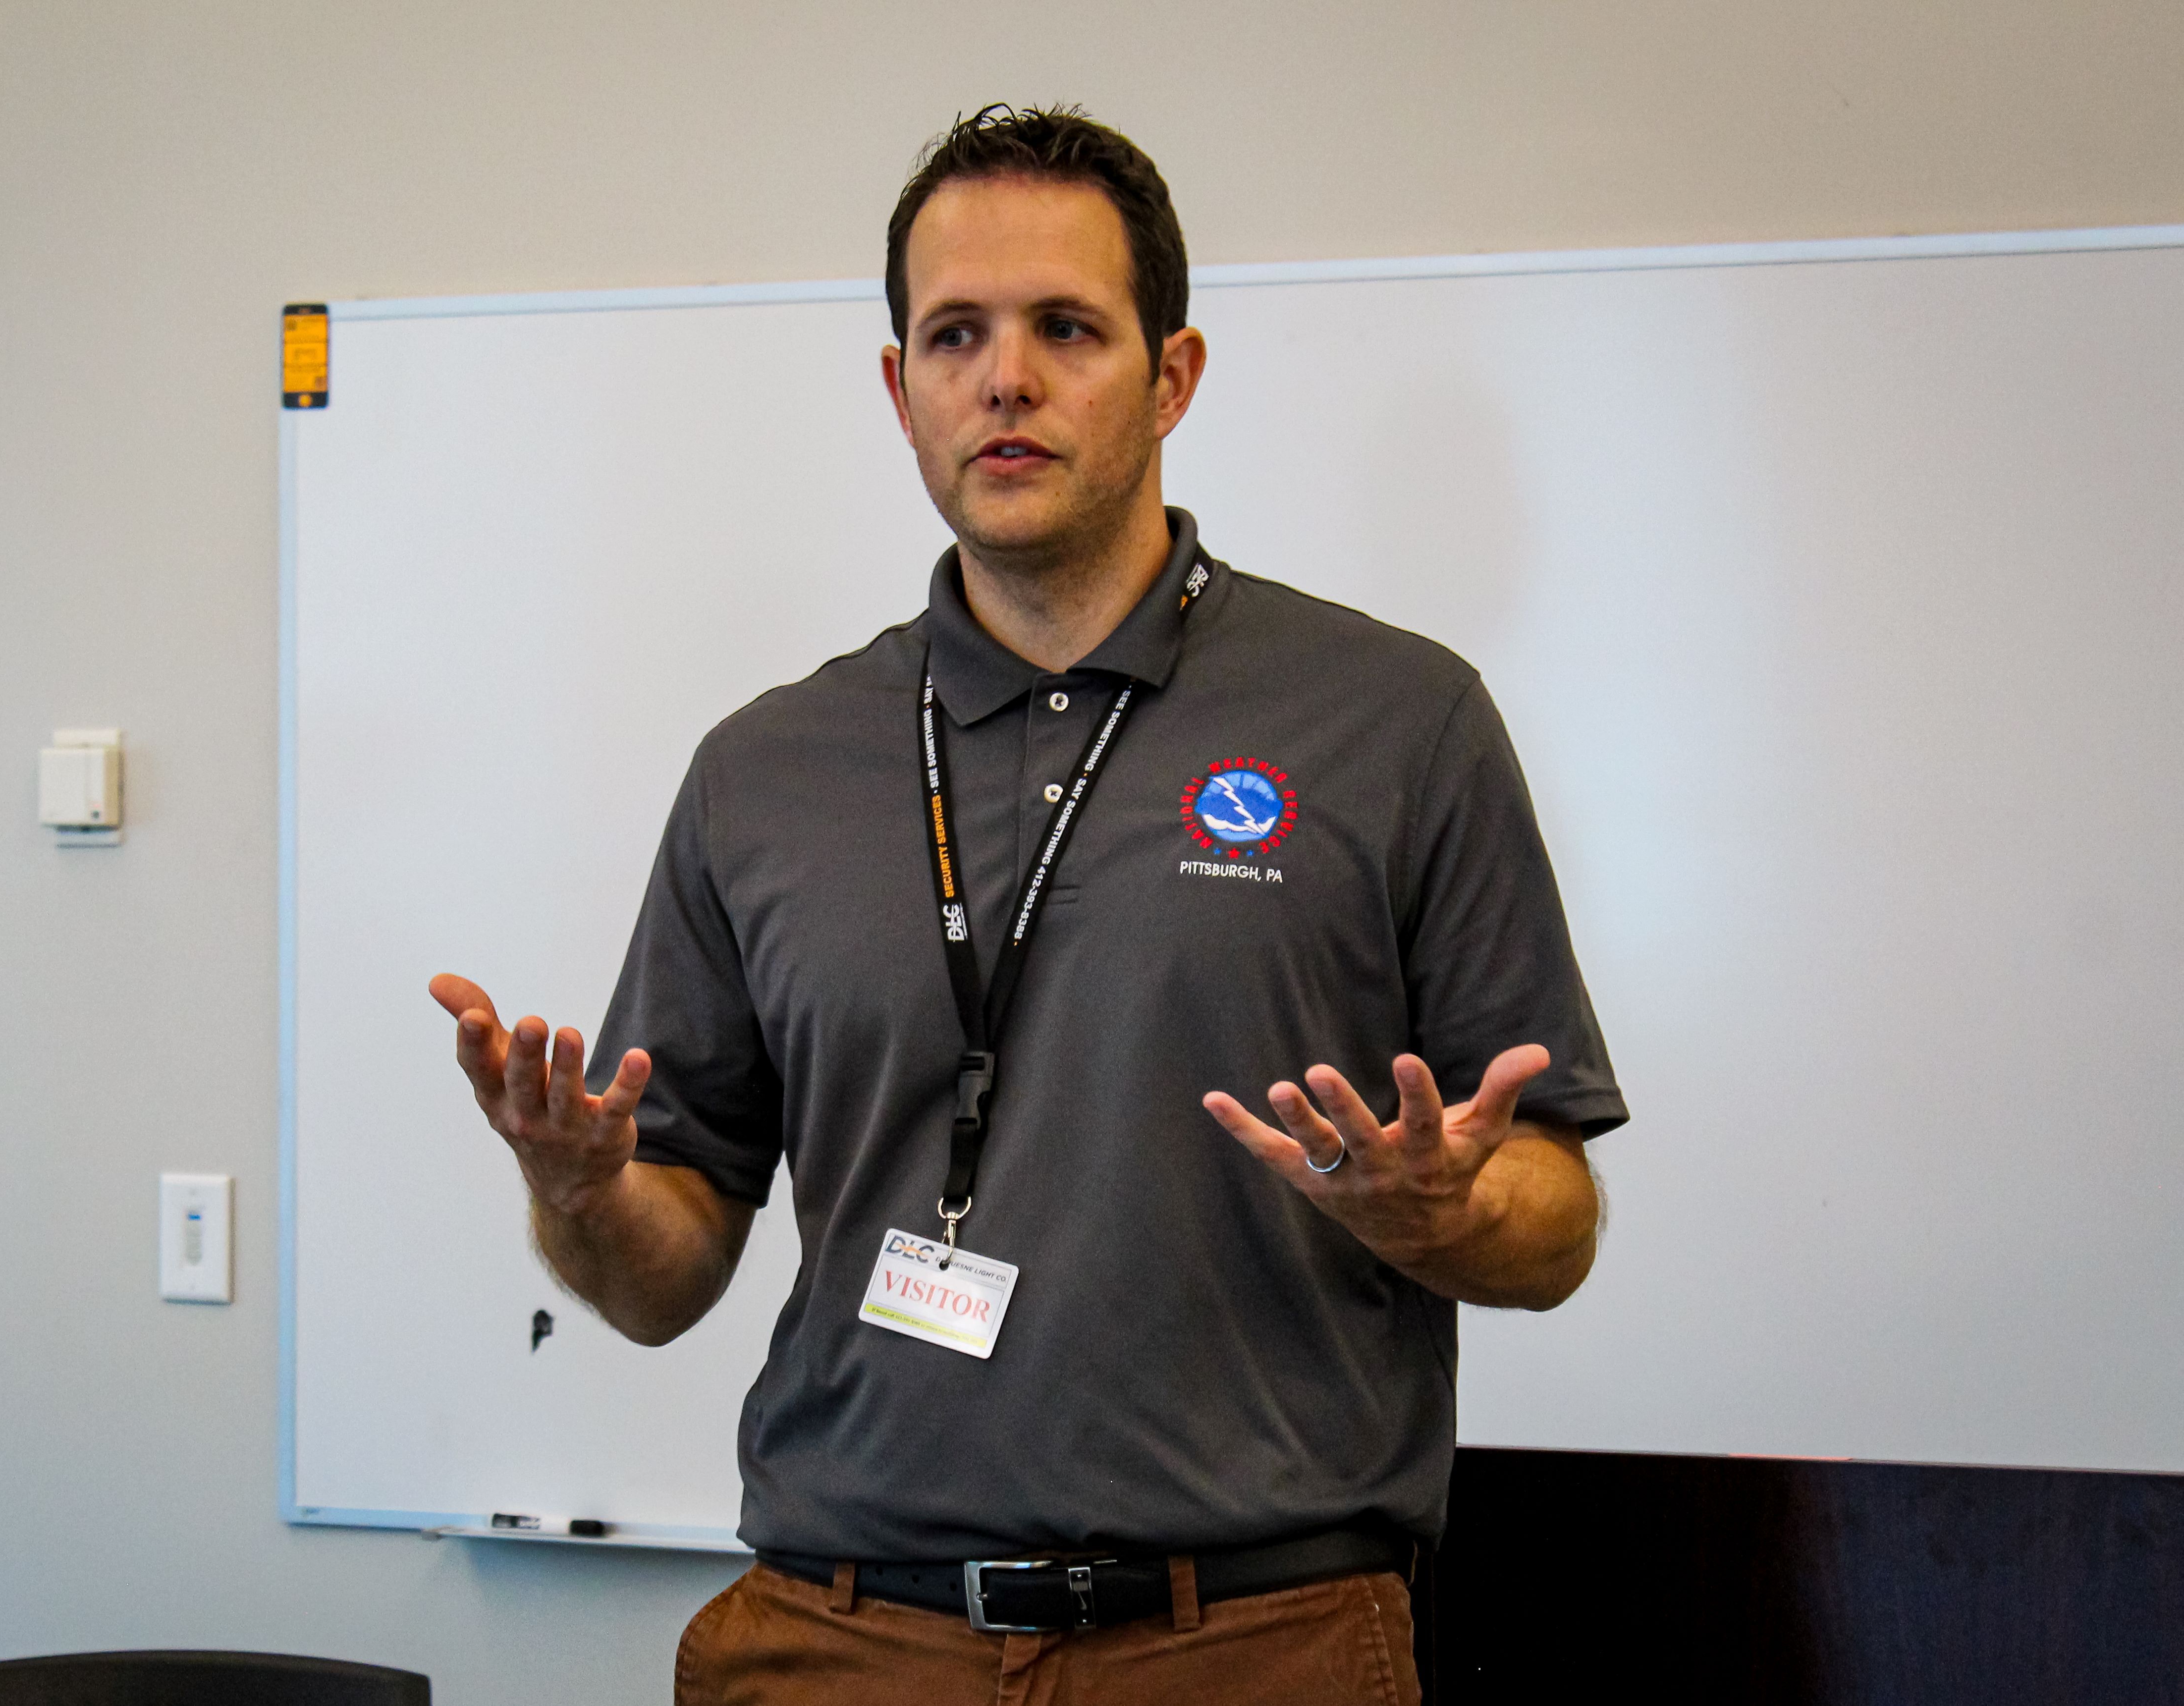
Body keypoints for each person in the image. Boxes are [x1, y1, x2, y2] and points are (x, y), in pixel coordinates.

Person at [428, 103, 1627, 1706]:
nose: (1006, 378)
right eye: (955, 335)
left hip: (1251, 1643)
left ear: (1171, 375)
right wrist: (577, 1193)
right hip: (839, 1637)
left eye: (1067, 328)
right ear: (898, 387)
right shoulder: (763, 770)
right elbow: (665, 1281)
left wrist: (1450, 1212)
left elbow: (1553, 1220)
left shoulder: (1396, 722)